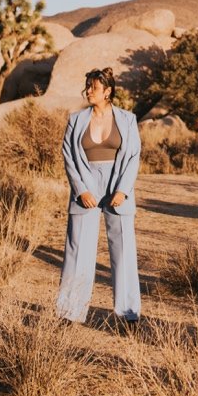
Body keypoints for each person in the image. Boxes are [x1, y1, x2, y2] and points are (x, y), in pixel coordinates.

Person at [56, 67, 142, 324]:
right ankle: (69, 313)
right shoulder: (76, 119)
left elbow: (133, 156)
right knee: (77, 248)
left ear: (108, 91)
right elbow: (68, 155)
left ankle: (128, 315)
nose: (88, 91)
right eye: (88, 86)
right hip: (86, 186)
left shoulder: (127, 119)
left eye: (94, 87)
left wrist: (123, 191)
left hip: (117, 186)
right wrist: (81, 189)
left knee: (123, 250)